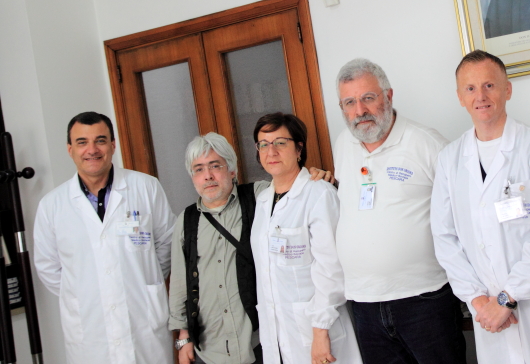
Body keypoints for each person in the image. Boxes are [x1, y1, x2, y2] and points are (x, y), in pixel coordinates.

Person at [431, 50, 530, 363]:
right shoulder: (450, 160)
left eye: (489, 85)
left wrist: (507, 298)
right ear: (460, 97)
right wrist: (478, 300)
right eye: (470, 88)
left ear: (508, 90)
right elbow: (444, 238)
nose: (481, 96)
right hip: (488, 312)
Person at [333, 58, 466, 364]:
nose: (359, 111)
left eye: (368, 98)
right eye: (349, 102)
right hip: (364, 303)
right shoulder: (343, 144)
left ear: (388, 96)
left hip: (424, 299)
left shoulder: (427, 144)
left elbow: (465, 214)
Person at [33, 111, 175, 364]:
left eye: (100, 140)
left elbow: (168, 244)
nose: (92, 150)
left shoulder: (146, 187)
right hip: (90, 333)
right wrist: (85, 291)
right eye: (82, 142)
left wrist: (145, 279)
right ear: (70, 149)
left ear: (112, 145)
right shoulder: (51, 205)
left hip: (144, 326)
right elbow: (49, 268)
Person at [250, 113, 361, 364]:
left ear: (299, 149)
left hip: (318, 331)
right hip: (278, 336)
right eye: (263, 144)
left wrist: (320, 330)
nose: (271, 151)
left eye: (280, 142)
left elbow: (332, 269)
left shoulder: (319, 194)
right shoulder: (263, 200)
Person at [168, 133, 266, 364]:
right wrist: (183, 338)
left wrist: (315, 175)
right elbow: (180, 285)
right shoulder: (186, 221)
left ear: (231, 170)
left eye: (215, 166)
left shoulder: (259, 196)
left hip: (260, 343)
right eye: (199, 169)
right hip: (210, 348)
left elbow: (294, 189)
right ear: (193, 177)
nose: (208, 176)